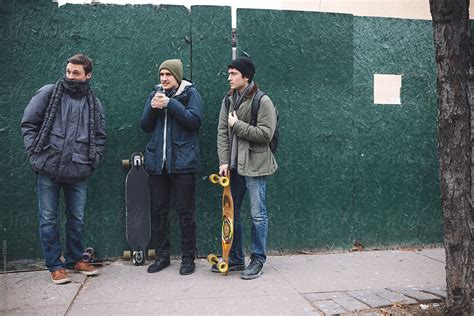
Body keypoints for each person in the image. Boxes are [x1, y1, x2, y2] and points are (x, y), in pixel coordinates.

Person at [20, 53, 107, 284]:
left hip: (78, 169)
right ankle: (55, 266)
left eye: (76, 73)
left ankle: (75, 259)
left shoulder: (93, 103)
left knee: (76, 218)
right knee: (48, 218)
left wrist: (93, 161)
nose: (70, 76)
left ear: (87, 75)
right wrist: (35, 153)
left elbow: (99, 136)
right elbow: (28, 123)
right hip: (48, 167)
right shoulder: (49, 93)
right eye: (68, 71)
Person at [215, 56, 278, 280]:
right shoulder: (228, 99)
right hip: (233, 166)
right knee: (232, 214)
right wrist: (224, 161)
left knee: (257, 214)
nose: (229, 78)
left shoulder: (263, 101)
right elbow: (223, 132)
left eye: (233, 74)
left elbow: (265, 134)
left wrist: (238, 125)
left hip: (256, 165)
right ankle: (235, 259)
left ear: (246, 77)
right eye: (229, 73)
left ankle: (258, 259)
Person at [141, 59, 203, 275]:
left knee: (185, 212)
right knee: (158, 211)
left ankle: (188, 258)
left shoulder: (190, 94)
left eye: (168, 74)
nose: (164, 78)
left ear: (177, 76)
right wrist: (152, 107)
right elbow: (145, 126)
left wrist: (171, 104)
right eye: (161, 74)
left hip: (183, 164)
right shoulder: (155, 94)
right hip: (158, 165)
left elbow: (194, 121)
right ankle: (162, 256)